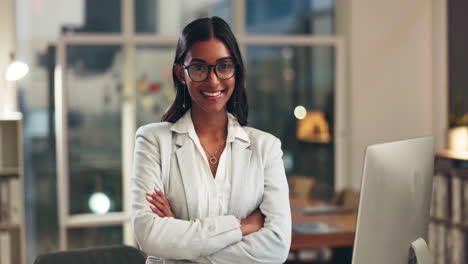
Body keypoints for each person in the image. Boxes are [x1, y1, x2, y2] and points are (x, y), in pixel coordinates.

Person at [131, 16, 291, 264]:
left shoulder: (266, 148)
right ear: (181, 73)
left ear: (236, 70)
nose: (213, 80)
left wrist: (180, 243)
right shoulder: (152, 141)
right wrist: (242, 227)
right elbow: (149, 236)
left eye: (224, 66)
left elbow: (277, 247)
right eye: (199, 68)